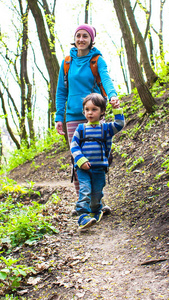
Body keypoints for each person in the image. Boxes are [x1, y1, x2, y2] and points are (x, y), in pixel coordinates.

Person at [55, 24, 120, 213]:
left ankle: (97, 201)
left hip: (94, 114)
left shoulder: (97, 60)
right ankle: (82, 202)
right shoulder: (67, 62)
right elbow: (61, 91)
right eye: (78, 36)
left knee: (98, 156)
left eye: (85, 36)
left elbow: (106, 79)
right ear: (74, 38)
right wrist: (60, 117)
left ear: (91, 40)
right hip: (73, 116)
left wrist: (113, 95)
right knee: (78, 159)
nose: (81, 39)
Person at [71, 93, 125, 229]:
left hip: (99, 168)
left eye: (94, 109)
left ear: (102, 112)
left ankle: (96, 210)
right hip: (83, 168)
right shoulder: (81, 129)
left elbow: (119, 124)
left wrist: (117, 109)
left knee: (96, 193)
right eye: (87, 109)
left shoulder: (106, 129)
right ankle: (82, 216)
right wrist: (80, 160)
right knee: (84, 190)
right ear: (83, 111)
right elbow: (74, 145)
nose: (90, 113)